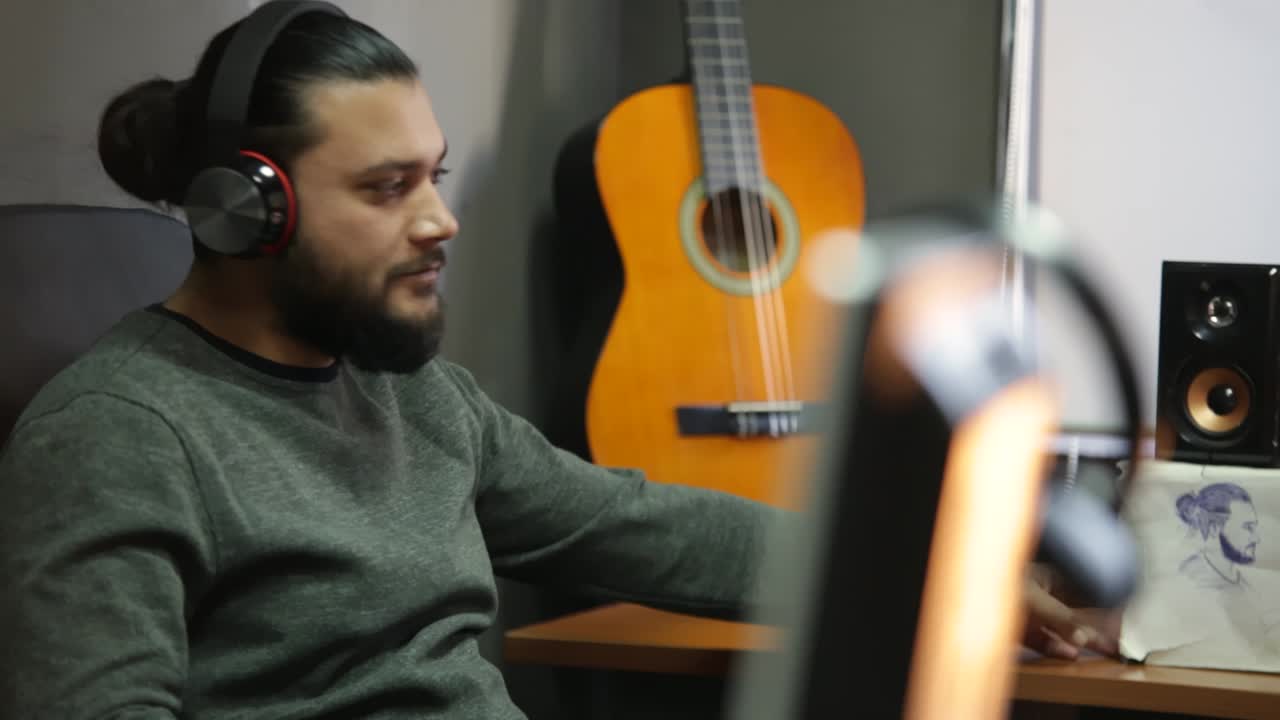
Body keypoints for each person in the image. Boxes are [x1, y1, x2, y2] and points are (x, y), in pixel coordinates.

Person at [0, 3, 1114, 718]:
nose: (440, 220)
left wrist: (937, 575)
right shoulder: (121, 433)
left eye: (434, 175)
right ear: (246, 211)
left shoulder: (416, 395)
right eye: (388, 189)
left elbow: (645, 526)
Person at [1176, 482, 1260, 591]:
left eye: (1253, 527)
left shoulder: (1243, 583)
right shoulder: (1190, 581)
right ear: (1214, 528)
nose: (1256, 539)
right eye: (1247, 527)